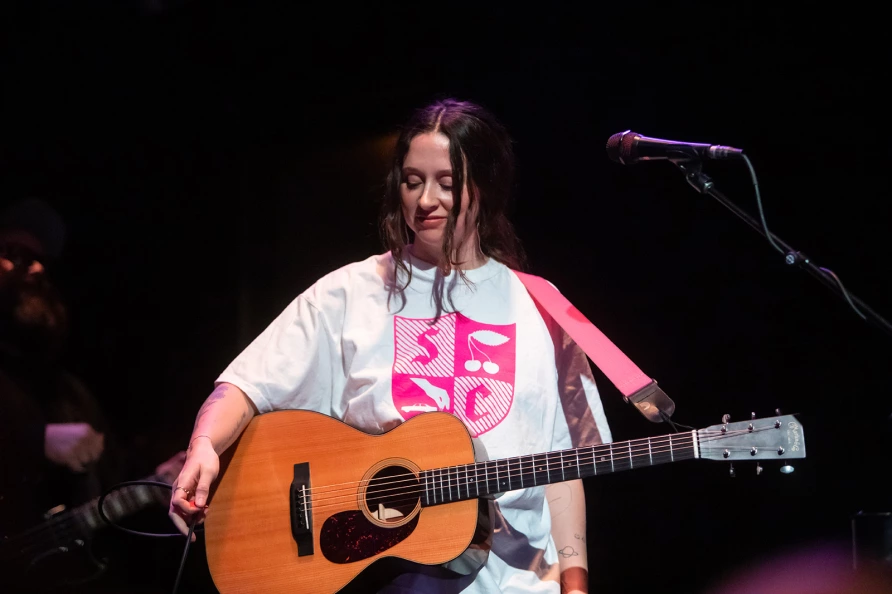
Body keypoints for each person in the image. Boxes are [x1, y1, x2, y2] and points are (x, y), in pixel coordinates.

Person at [169, 98, 613, 594]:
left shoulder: (541, 307)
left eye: (447, 183)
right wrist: (204, 444)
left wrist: (575, 585)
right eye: (412, 181)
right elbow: (243, 386)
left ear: (487, 186)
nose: (426, 200)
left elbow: (561, 467)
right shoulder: (349, 293)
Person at [0, 198, 186, 592]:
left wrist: (159, 480)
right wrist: (34, 442)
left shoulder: (68, 391)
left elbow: (111, 474)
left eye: (41, 260)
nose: (34, 269)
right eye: (15, 254)